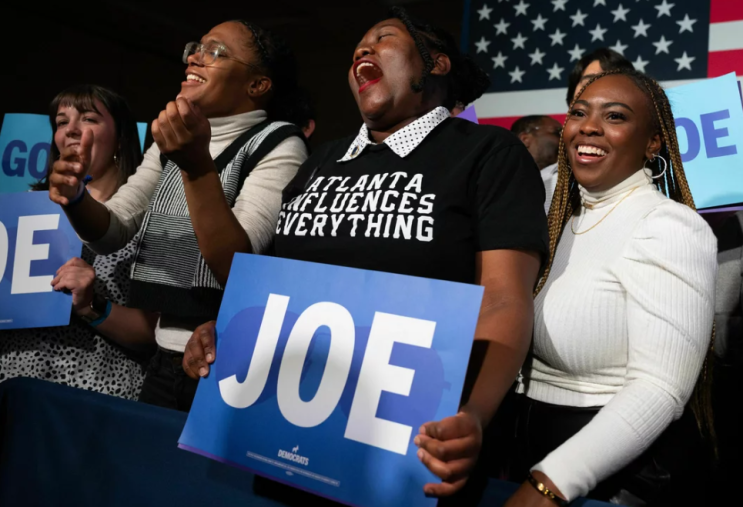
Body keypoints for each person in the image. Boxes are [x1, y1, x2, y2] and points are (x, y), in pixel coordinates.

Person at [183, 7, 549, 501]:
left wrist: (474, 415)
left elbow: (504, 299)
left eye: (384, 38)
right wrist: (233, 330)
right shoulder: (322, 160)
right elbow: (285, 286)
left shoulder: (489, 153)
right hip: (292, 445)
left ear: (435, 65)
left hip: (405, 451)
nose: (362, 50)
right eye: (358, 45)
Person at [48, 21, 309, 411]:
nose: (194, 57)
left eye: (216, 52)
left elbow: (238, 267)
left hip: (223, 361)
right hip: (162, 359)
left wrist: (197, 167)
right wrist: (76, 198)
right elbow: (112, 231)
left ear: (257, 85)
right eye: (196, 47)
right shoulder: (170, 140)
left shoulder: (279, 143)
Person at [504, 69, 716, 506]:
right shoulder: (557, 223)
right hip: (522, 448)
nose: (588, 126)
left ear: (653, 142)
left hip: (615, 478)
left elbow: (659, 388)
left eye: (615, 116)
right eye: (578, 113)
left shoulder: (668, 227)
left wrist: (550, 483)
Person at [0, 84, 155, 400]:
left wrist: (90, 305)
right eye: (61, 121)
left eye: (88, 119)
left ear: (121, 137)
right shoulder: (24, 207)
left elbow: (152, 335)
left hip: (93, 397)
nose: (70, 130)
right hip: (13, 388)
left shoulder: (147, 221)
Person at [511, 116, 562, 213]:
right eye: (557, 132)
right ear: (525, 139)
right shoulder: (502, 183)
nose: (565, 138)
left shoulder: (570, 178)